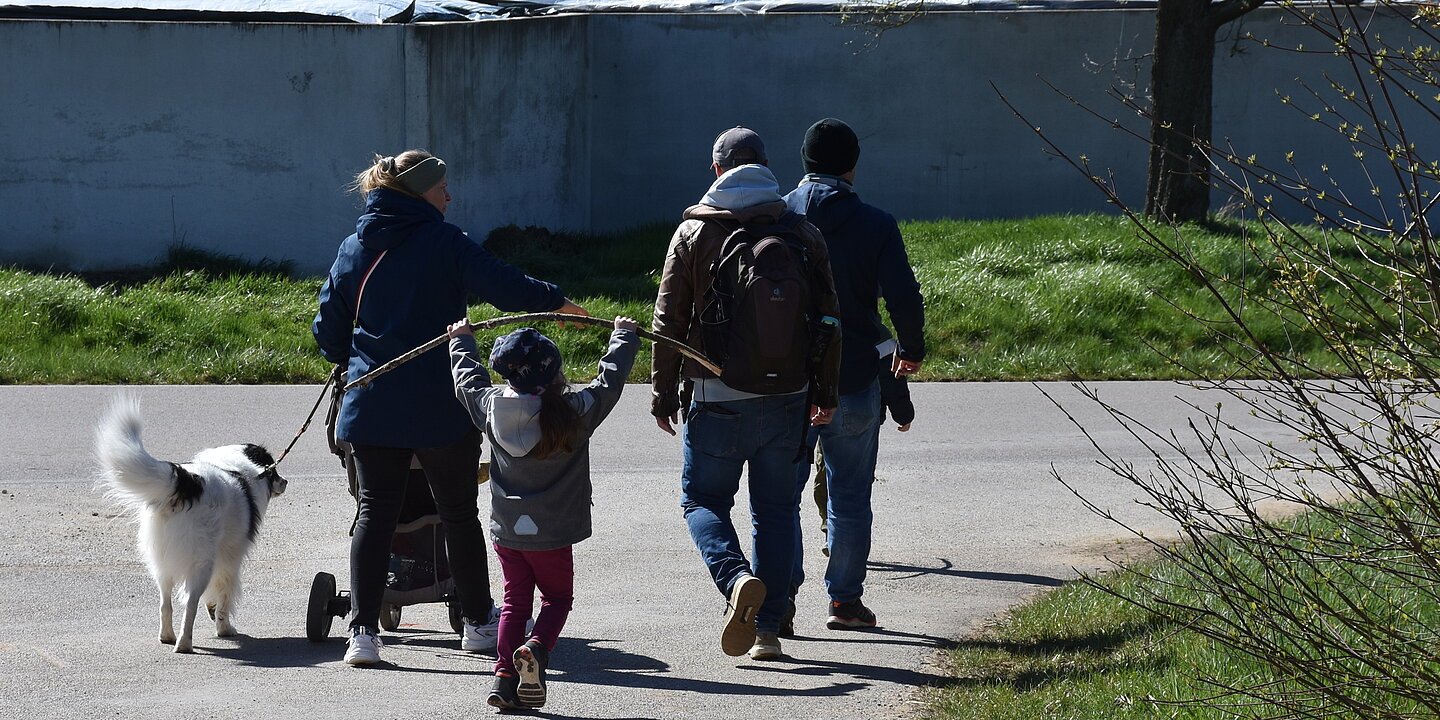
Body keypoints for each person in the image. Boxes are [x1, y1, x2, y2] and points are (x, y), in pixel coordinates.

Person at [312, 149, 589, 666]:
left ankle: (363, 635)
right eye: (443, 187)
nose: (450, 195)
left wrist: (349, 360)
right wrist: (557, 300)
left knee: (374, 511)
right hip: (442, 405)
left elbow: (328, 327)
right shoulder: (446, 243)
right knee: (458, 512)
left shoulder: (355, 246)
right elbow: (506, 286)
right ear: (421, 192)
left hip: (371, 405)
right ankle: (480, 624)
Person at [651, 126, 842, 661]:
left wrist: (664, 393)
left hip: (717, 394)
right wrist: (824, 389)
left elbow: (668, 321)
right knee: (777, 511)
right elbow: (831, 318)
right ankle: (769, 631)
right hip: (790, 396)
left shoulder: (693, 233)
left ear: (717, 171)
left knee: (702, 500)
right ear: (765, 166)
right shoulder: (802, 231)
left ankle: (736, 581)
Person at [448, 317, 639, 710]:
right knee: (556, 598)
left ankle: (503, 677)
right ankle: (537, 648)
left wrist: (461, 340)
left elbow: (467, 382)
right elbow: (609, 385)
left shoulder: (490, 408)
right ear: (555, 372)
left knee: (516, 601)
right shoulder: (574, 411)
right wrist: (623, 336)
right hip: (553, 532)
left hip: (508, 531)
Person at [784, 119, 925, 632]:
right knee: (849, 494)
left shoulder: (775, 217)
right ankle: (844, 601)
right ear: (852, 165)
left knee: (780, 495)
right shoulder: (876, 223)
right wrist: (910, 349)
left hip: (787, 379)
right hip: (855, 374)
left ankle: (778, 604)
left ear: (803, 160)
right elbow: (904, 295)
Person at [805, 343, 915, 563]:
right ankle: (845, 557)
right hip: (856, 407)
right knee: (852, 488)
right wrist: (903, 413)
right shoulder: (874, 330)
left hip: (811, 405)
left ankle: (829, 528)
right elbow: (891, 375)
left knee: (822, 473)